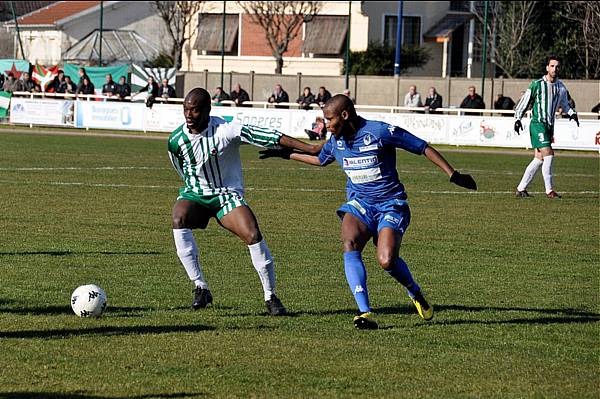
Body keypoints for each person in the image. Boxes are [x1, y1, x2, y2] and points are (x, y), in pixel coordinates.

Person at [259, 95, 477, 329]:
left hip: (391, 205)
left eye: (329, 119)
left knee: (386, 261)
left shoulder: (380, 132)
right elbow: (320, 159)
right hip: (360, 204)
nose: (326, 125)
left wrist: (452, 174)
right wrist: (286, 154)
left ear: (344, 115)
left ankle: (415, 293)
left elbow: (422, 147)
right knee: (349, 242)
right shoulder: (336, 140)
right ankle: (365, 312)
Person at [168, 88, 320, 315]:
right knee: (178, 217)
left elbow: (268, 135)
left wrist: (310, 148)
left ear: (208, 110)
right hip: (196, 194)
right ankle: (200, 287)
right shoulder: (175, 140)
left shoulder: (226, 130)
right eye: (186, 109)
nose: (189, 115)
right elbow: (179, 167)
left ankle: (270, 296)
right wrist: (194, 188)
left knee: (252, 235)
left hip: (227, 196)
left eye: (195, 110)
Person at [513, 55, 579, 199]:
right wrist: (517, 119)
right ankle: (549, 191)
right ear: (547, 67)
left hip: (549, 126)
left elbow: (565, 105)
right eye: (552, 66)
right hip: (538, 124)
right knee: (549, 154)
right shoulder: (537, 84)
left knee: (539, 159)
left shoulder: (561, 87)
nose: (555, 69)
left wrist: (572, 113)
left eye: (557, 66)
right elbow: (525, 101)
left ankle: (521, 189)